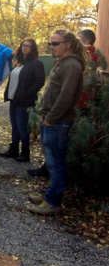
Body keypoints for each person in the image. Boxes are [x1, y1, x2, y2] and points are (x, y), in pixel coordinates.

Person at [27, 30, 86, 215]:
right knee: (51, 163)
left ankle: (53, 202)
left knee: (56, 163)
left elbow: (66, 97)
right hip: (51, 120)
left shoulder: (72, 65)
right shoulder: (62, 62)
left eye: (55, 43)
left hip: (58, 122)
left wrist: (51, 119)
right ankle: (50, 194)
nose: (51, 47)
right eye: (50, 43)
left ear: (68, 45)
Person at [0, 38, 45, 162]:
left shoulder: (36, 63)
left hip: (24, 101)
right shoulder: (19, 62)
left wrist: (26, 94)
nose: (25, 48)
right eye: (23, 45)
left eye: (28, 46)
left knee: (22, 127)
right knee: (14, 126)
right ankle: (14, 150)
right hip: (14, 99)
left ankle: (25, 153)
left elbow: (39, 81)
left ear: (33, 49)